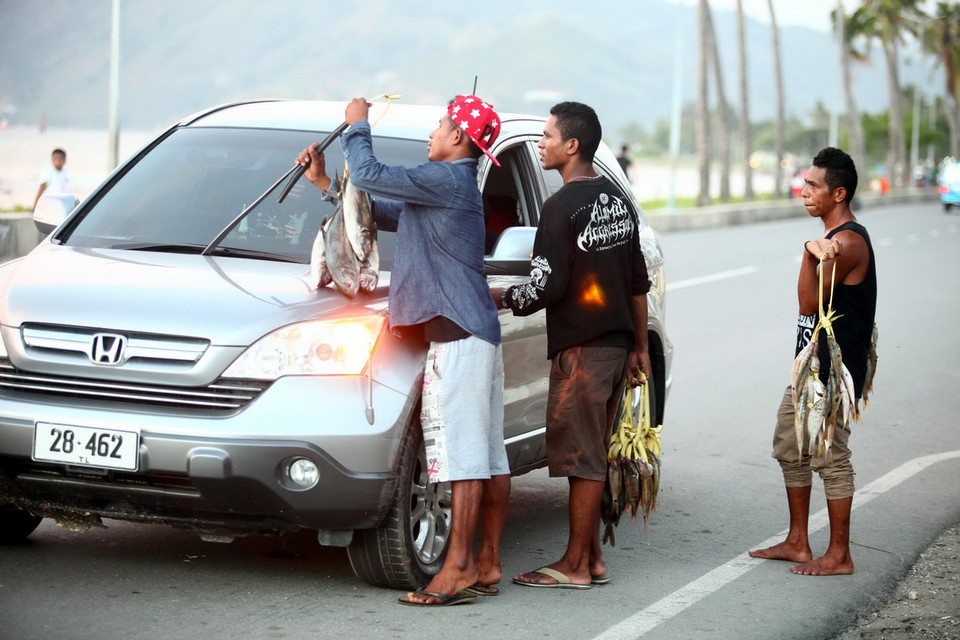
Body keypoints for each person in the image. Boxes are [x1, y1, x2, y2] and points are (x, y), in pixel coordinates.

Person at [297, 95, 510, 606]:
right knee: (486, 454)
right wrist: (328, 186)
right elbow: (382, 212)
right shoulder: (445, 188)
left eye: (439, 126)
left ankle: (456, 568)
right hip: (474, 330)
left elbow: (369, 176)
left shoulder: (448, 178)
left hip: (458, 335)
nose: (431, 134)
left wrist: (357, 125)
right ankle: (487, 563)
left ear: (459, 137)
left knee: (461, 457)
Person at [491, 102, 651, 589]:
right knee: (592, 454)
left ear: (571, 145)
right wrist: (639, 347)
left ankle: (575, 565)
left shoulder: (560, 207)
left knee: (581, 458)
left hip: (582, 352)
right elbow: (636, 282)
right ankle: (592, 558)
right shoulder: (616, 200)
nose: (541, 143)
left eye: (547, 136)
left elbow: (546, 286)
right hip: (614, 348)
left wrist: (503, 295)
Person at [749, 147, 877, 576]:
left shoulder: (847, 243)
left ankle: (840, 554)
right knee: (790, 446)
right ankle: (798, 541)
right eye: (804, 184)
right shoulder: (829, 241)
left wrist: (810, 252)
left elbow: (808, 303)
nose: (804, 192)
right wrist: (811, 248)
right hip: (810, 365)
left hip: (834, 372)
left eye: (813, 186)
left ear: (838, 193)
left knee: (829, 455)